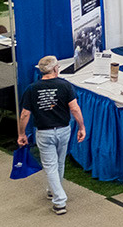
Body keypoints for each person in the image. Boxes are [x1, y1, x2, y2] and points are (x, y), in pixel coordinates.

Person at [17, 55, 86, 216]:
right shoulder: (65, 86)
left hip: (44, 132)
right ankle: (55, 191)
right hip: (63, 130)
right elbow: (75, 109)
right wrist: (81, 127)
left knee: (50, 165)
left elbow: (24, 115)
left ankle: (59, 199)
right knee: (59, 162)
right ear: (56, 69)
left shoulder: (32, 89)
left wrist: (22, 133)